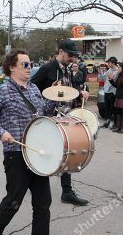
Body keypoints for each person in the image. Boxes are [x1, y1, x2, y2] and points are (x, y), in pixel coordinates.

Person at [0, 49, 66, 235]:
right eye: (25, 64)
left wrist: (53, 98)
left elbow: (43, 113)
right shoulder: (3, 90)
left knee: (43, 201)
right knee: (14, 200)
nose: (30, 68)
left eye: (31, 64)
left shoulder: (35, 88)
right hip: (15, 153)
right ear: (12, 67)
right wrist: (0, 132)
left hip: (37, 153)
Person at [31, 39, 90, 206]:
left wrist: (79, 93)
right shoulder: (47, 68)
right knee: (44, 151)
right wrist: (49, 90)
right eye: (70, 55)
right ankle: (34, 185)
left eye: (74, 56)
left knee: (67, 151)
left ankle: (67, 191)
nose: (72, 58)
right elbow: (31, 88)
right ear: (61, 51)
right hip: (50, 117)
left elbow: (66, 91)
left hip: (65, 116)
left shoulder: (67, 70)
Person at [98, 57, 118, 129]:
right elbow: (103, 78)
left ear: (113, 63)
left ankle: (115, 124)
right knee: (107, 108)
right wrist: (101, 73)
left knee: (114, 108)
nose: (107, 64)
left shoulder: (117, 71)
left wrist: (111, 78)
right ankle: (107, 122)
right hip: (106, 91)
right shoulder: (109, 70)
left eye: (109, 62)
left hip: (112, 92)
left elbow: (114, 81)